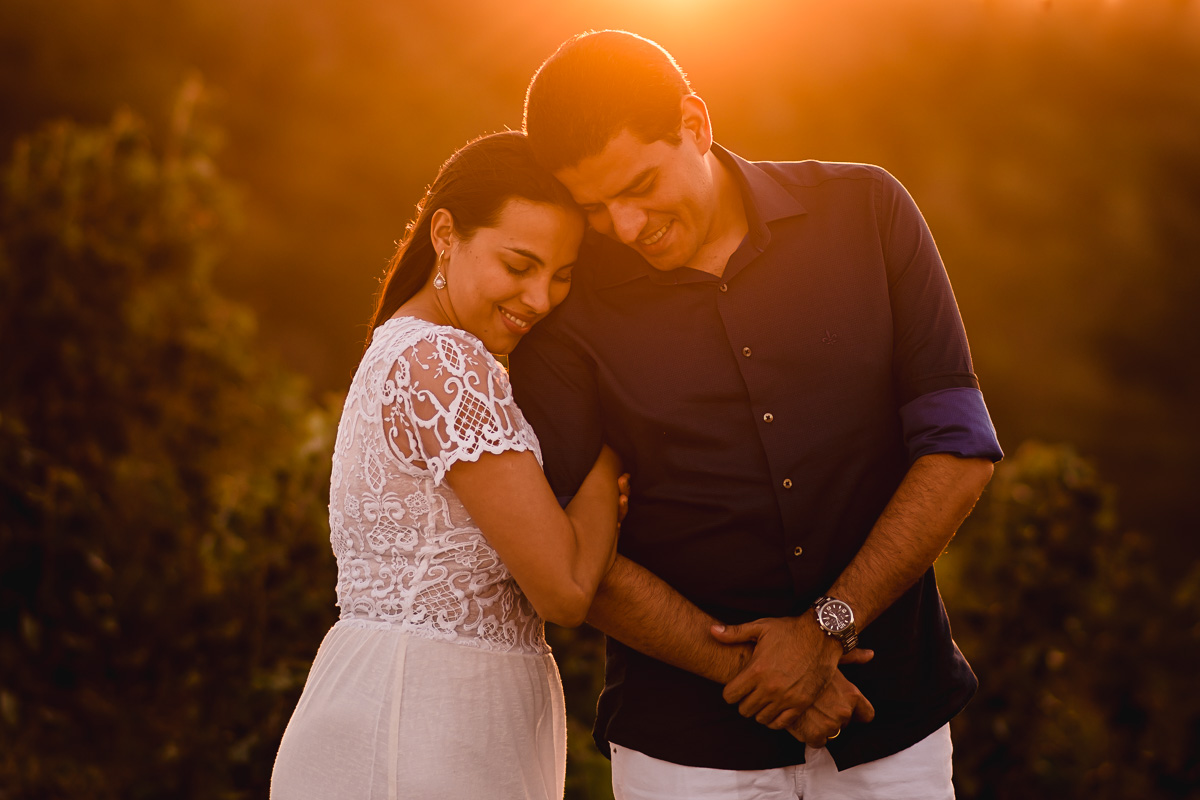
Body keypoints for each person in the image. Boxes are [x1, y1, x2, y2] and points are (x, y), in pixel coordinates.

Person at [509, 31, 1005, 799]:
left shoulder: (868, 212)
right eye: (596, 207)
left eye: (640, 185)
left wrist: (828, 627)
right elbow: (568, 546)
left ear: (695, 124)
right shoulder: (571, 307)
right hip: (682, 748)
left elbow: (959, 448)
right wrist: (759, 672)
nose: (627, 227)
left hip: (892, 721)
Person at [270, 130, 627, 800]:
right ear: (444, 234)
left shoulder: (404, 349)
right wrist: (611, 451)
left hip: (404, 698)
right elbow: (566, 589)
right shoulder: (444, 365)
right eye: (518, 266)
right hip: (426, 718)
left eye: (561, 275)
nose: (541, 299)